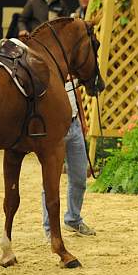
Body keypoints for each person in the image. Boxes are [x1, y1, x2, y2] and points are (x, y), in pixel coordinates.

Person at [42, 78, 95, 240]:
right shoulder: (48, 75)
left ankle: (73, 219)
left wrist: (83, 121)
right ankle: (50, 227)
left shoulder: (68, 71)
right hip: (55, 127)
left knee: (79, 177)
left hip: (74, 124)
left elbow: (76, 92)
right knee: (51, 181)